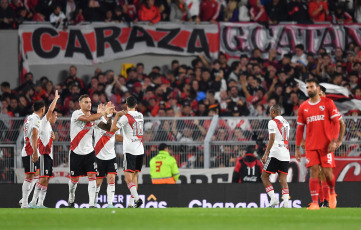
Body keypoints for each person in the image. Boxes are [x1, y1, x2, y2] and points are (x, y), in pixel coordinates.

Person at [296, 78, 346, 210]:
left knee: (326, 174)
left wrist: (337, 141)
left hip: (327, 144)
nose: (309, 90)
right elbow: (300, 127)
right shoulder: (305, 107)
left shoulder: (329, 104)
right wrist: (300, 142)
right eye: (308, 87)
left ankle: (331, 193)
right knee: (314, 172)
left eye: (312, 87)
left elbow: (341, 123)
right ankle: (316, 202)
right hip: (312, 145)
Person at [68, 94, 114, 208]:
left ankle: (92, 204)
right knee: (74, 180)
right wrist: (103, 113)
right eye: (86, 102)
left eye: (89, 102)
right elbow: (88, 119)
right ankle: (71, 198)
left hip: (89, 152)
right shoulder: (76, 114)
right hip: (76, 152)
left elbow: (108, 128)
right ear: (80, 104)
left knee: (92, 177)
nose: (89, 104)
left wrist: (108, 116)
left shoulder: (95, 117)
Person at [110, 95, 144, 208]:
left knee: (127, 178)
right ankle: (130, 203)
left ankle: (138, 199)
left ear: (126, 104)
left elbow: (113, 129)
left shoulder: (125, 118)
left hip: (130, 151)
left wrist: (117, 116)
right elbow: (131, 116)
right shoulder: (141, 115)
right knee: (135, 177)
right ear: (136, 105)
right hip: (140, 149)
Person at [29, 90, 60, 208]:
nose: (56, 117)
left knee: (46, 179)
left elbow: (47, 138)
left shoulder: (49, 126)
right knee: (42, 178)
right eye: (55, 115)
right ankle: (33, 201)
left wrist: (53, 137)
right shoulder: (44, 122)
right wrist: (56, 98)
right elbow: (51, 110)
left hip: (49, 155)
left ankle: (40, 203)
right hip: (43, 154)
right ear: (49, 115)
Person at [93, 102, 123, 208]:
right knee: (98, 182)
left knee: (111, 179)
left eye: (112, 108)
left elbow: (119, 137)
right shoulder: (98, 120)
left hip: (111, 156)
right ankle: (95, 202)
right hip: (99, 156)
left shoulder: (115, 123)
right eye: (109, 108)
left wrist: (130, 140)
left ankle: (110, 203)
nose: (111, 110)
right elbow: (108, 127)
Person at [261, 104, 291, 208]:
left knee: (264, 176)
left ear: (273, 112)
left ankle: (273, 199)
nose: (270, 114)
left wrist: (265, 154)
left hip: (275, 153)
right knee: (283, 179)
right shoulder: (287, 123)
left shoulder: (272, 122)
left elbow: (272, 138)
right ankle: (286, 203)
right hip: (286, 153)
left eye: (270, 112)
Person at [20, 100, 45, 208]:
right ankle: (24, 203)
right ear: (43, 109)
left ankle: (23, 199)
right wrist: (35, 152)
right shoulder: (36, 119)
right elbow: (34, 134)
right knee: (29, 176)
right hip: (30, 150)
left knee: (36, 175)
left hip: (30, 149)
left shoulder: (29, 118)